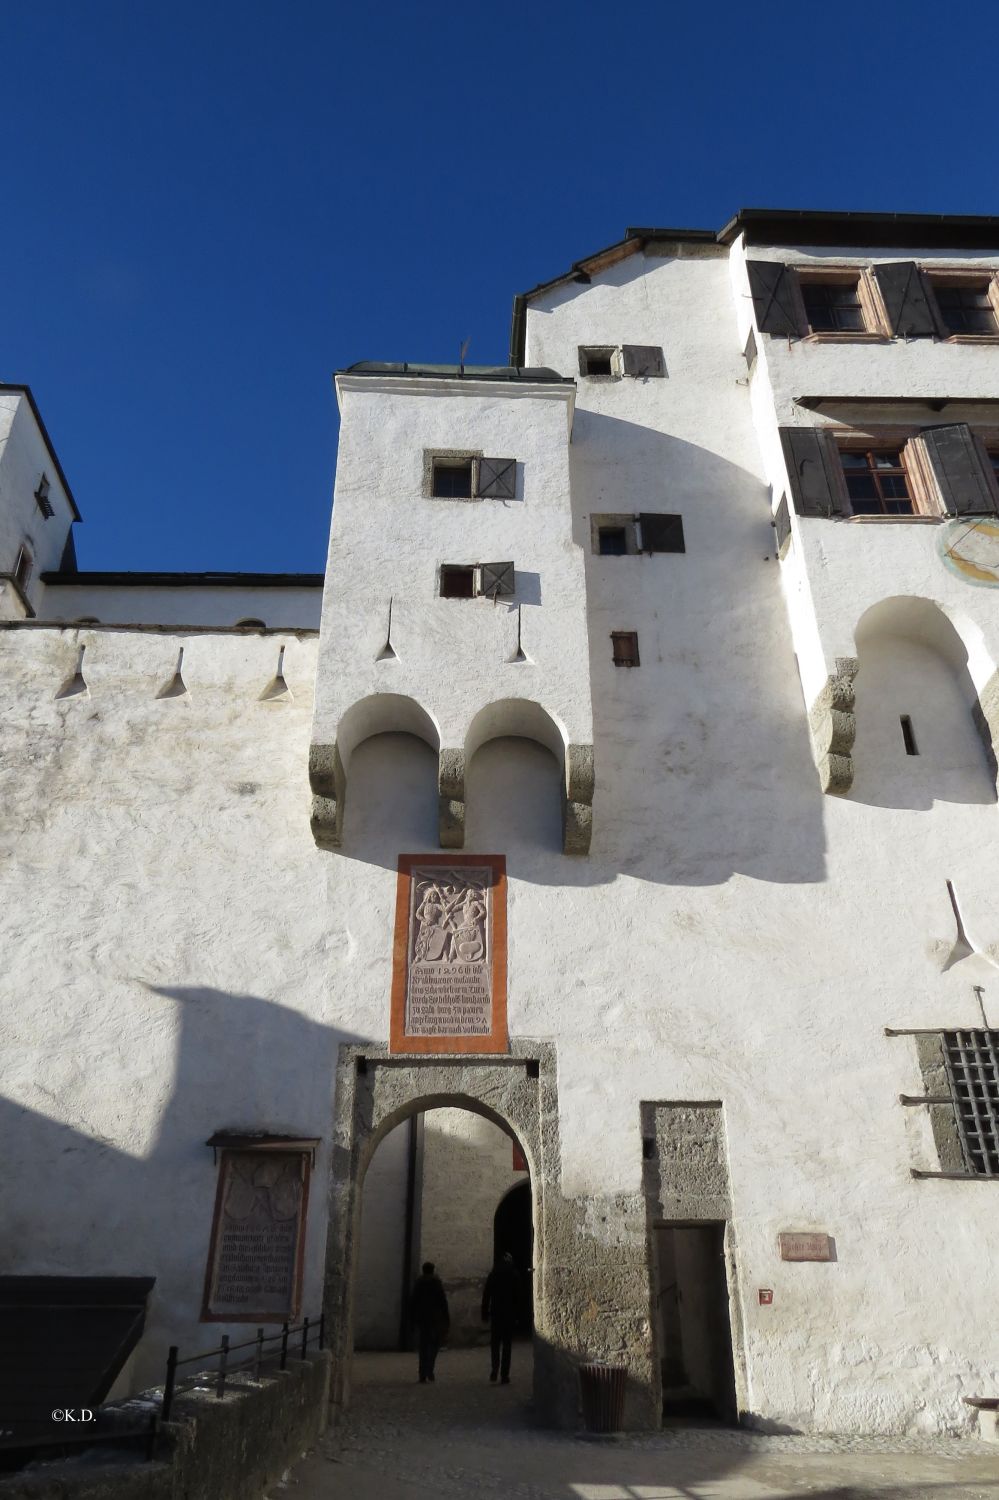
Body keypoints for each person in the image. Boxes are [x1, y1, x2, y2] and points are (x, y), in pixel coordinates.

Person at [481, 1251, 519, 1384]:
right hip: (509, 1313)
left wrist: (484, 1313)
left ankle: (494, 1369)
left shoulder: (494, 1274)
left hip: (496, 1313)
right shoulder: (513, 1274)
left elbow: (487, 1295)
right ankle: (504, 1374)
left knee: (495, 1344)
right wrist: (518, 1315)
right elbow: (517, 1297)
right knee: (507, 1345)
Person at [409, 1261, 449, 1384]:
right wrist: (446, 1317)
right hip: (435, 1318)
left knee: (423, 1346)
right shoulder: (436, 1282)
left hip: (422, 1318)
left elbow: (413, 1301)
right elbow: (443, 1301)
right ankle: (430, 1369)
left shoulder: (419, 1283)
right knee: (434, 1345)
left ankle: (422, 1373)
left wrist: (412, 1319)